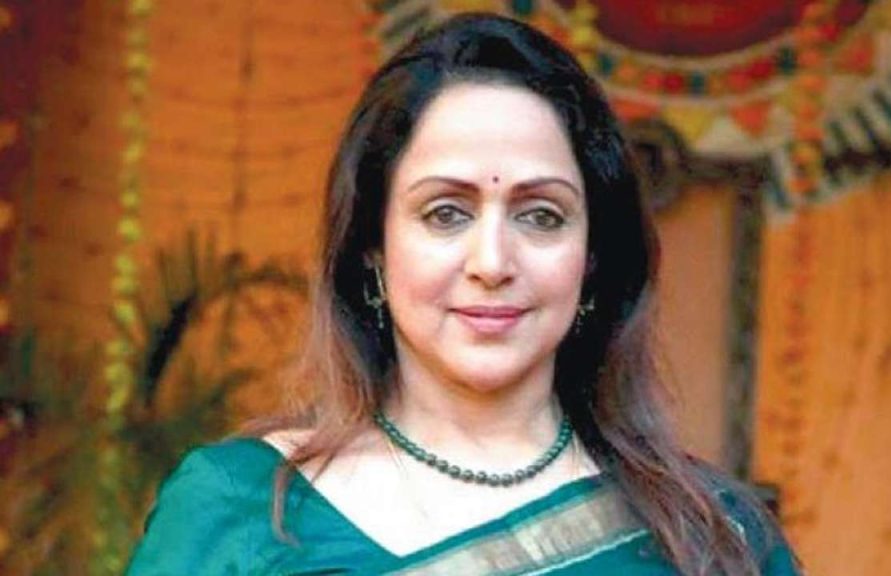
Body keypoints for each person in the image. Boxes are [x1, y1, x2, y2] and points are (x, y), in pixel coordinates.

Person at [127, 12, 801, 575]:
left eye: (542, 215)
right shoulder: (238, 510)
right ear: (373, 246)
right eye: (446, 212)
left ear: (592, 257)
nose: (492, 262)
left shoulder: (718, 536)